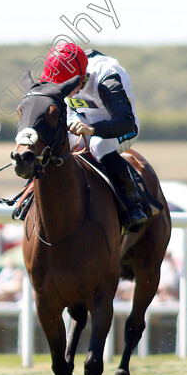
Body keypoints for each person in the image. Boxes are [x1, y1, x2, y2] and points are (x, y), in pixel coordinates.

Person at [40, 42, 148, 232]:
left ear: (80, 79)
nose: (61, 89)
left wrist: (91, 130)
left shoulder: (107, 77)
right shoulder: (69, 72)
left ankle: (134, 205)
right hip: (83, 120)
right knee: (56, 142)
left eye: (66, 85)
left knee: (99, 145)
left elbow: (125, 121)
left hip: (120, 128)